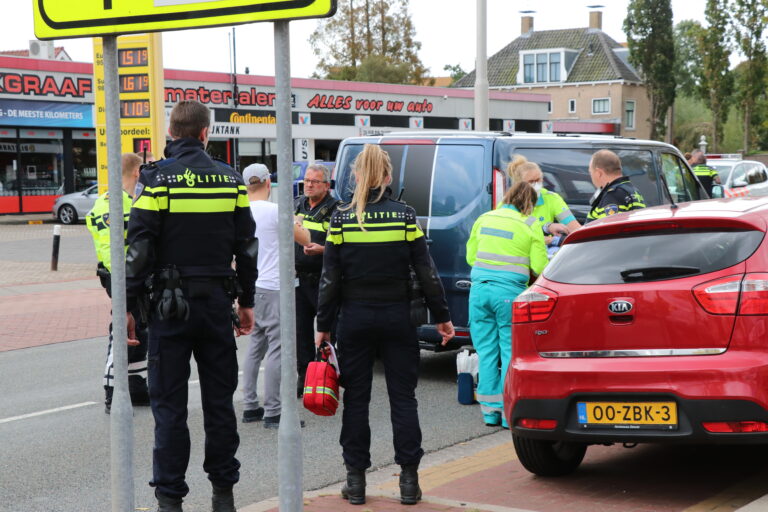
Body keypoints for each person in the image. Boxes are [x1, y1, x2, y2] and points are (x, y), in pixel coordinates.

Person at [125, 100, 257, 512]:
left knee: (170, 407)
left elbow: (139, 248)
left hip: (168, 309)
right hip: (217, 305)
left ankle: (170, 501)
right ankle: (223, 495)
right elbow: (247, 249)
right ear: (205, 133)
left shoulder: (156, 179)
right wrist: (247, 301)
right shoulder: (232, 180)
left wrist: (128, 306)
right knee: (220, 404)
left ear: (171, 132)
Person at [314, 144, 455, 506]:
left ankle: (356, 482)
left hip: (355, 319)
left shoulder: (341, 219)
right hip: (398, 319)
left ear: (357, 176)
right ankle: (409, 482)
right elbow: (426, 271)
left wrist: (324, 324)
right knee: (403, 399)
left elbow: (330, 278)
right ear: (389, 177)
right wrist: (442, 317)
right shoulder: (405, 216)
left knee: (356, 402)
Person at [466, 181, 548, 428]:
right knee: (510, 353)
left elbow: (471, 257)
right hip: (509, 296)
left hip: (479, 293)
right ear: (529, 204)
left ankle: (490, 412)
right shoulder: (530, 224)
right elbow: (540, 267)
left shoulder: (484, 218)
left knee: (487, 353)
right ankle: (507, 413)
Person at [241, 162, 310, 427]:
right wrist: (298, 222)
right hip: (274, 287)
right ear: (269, 183)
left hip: (253, 287)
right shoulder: (276, 211)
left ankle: (250, 406)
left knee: (256, 346)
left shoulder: (242, 211)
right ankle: (274, 411)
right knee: (278, 348)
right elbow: (303, 238)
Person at [85, 152, 150, 413]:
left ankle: (135, 386)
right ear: (137, 172)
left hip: (117, 273)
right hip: (125, 274)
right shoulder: (123, 203)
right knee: (123, 330)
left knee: (140, 330)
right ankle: (112, 391)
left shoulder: (105, 201)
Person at [294, 163, 338, 397]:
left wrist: (322, 250)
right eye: (306, 181)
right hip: (299, 280)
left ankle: (330, 378)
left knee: (328, 332)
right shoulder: (298, 204)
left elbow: (342, 245)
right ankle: (304, 377)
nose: (308, 185)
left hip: (324, 280)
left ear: (327, 186)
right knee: (300, 333)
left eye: (314, 181)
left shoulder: (336, 210)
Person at [506, 154, 580, 238]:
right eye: (531, 182)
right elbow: (516, 234)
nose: (536, 185)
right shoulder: (508, 204)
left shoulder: (552, 198)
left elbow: (575, 228)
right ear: (519, 184)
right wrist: (547, 232)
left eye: (538, 180)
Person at [586, 149, 646, 222]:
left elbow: (608, 230)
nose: (591, 176)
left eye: (591, 172)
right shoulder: (631, 190)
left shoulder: (613, 195)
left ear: (599, 173)